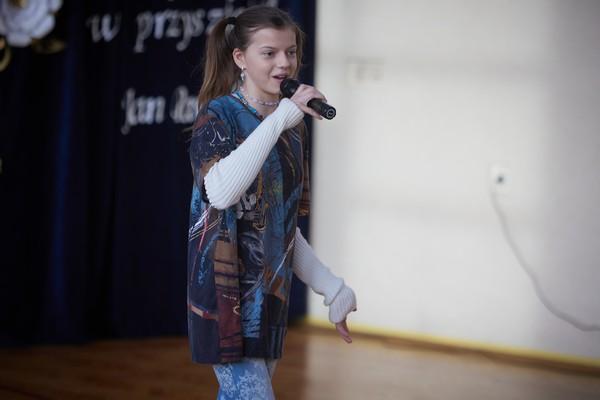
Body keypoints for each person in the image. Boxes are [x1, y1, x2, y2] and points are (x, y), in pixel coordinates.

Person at [187, 5, 357, 399]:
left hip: (269, 299)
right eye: (269, 53)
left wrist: (332, 287)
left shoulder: (293, 128)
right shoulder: (218, 116)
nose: (284, 63)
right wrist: (280, 119)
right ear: (240, 58)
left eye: (291, 52)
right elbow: (221, 193)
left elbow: (280, 227)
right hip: (226, 297)